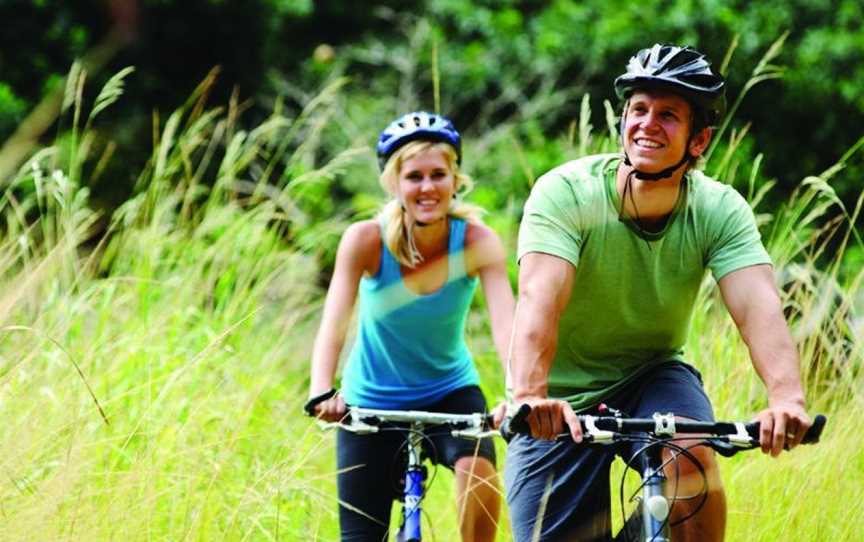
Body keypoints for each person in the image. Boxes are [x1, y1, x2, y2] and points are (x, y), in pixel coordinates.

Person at [503, 44, 812, 541]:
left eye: (668, 115)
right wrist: (530, 395)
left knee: (690, 449)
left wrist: (787, 399)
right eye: (639, 110)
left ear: (699, 140)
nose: (648, 123)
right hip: (557, 399)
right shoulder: (567, 193)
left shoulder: (718, 209)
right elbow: (541, 298)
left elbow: (758, 306)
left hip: (651, 373)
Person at [306, 111, 515, 542]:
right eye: (414, 176)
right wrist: (321, 389)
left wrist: (518, 394)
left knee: (479, 471)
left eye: (438, 174)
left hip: (449, 393)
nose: (427, 187)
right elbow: (334, 321)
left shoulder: (477, 242)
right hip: (369, 401)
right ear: (394, 183)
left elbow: (508, 326)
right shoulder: (365, 240)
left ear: (455, 179)